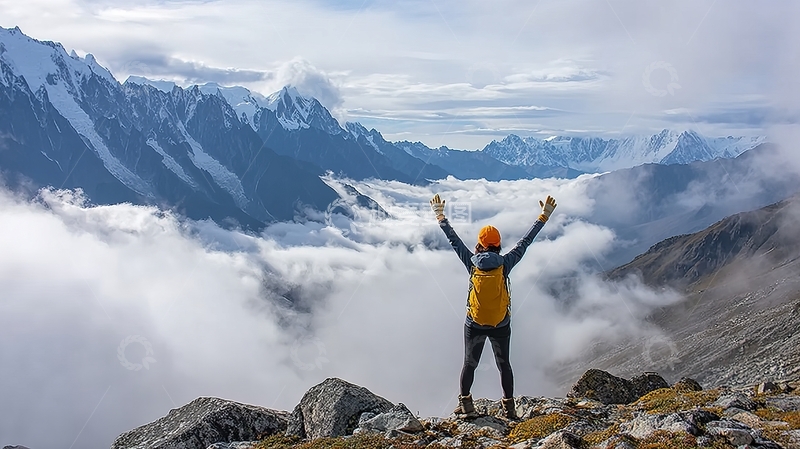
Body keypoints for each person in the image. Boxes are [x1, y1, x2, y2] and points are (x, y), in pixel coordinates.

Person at [430, 193, 557, 420]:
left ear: (479, 244)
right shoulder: (505, 263)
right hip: (501, 323)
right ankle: (509, 409)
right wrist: (543, 217)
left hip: (475, 323)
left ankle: (466, 405)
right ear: (498, 244)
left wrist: (440, 216)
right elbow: (525, 242)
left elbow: (453, 240)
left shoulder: (471, 263)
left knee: (470, 363)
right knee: (504, 365)